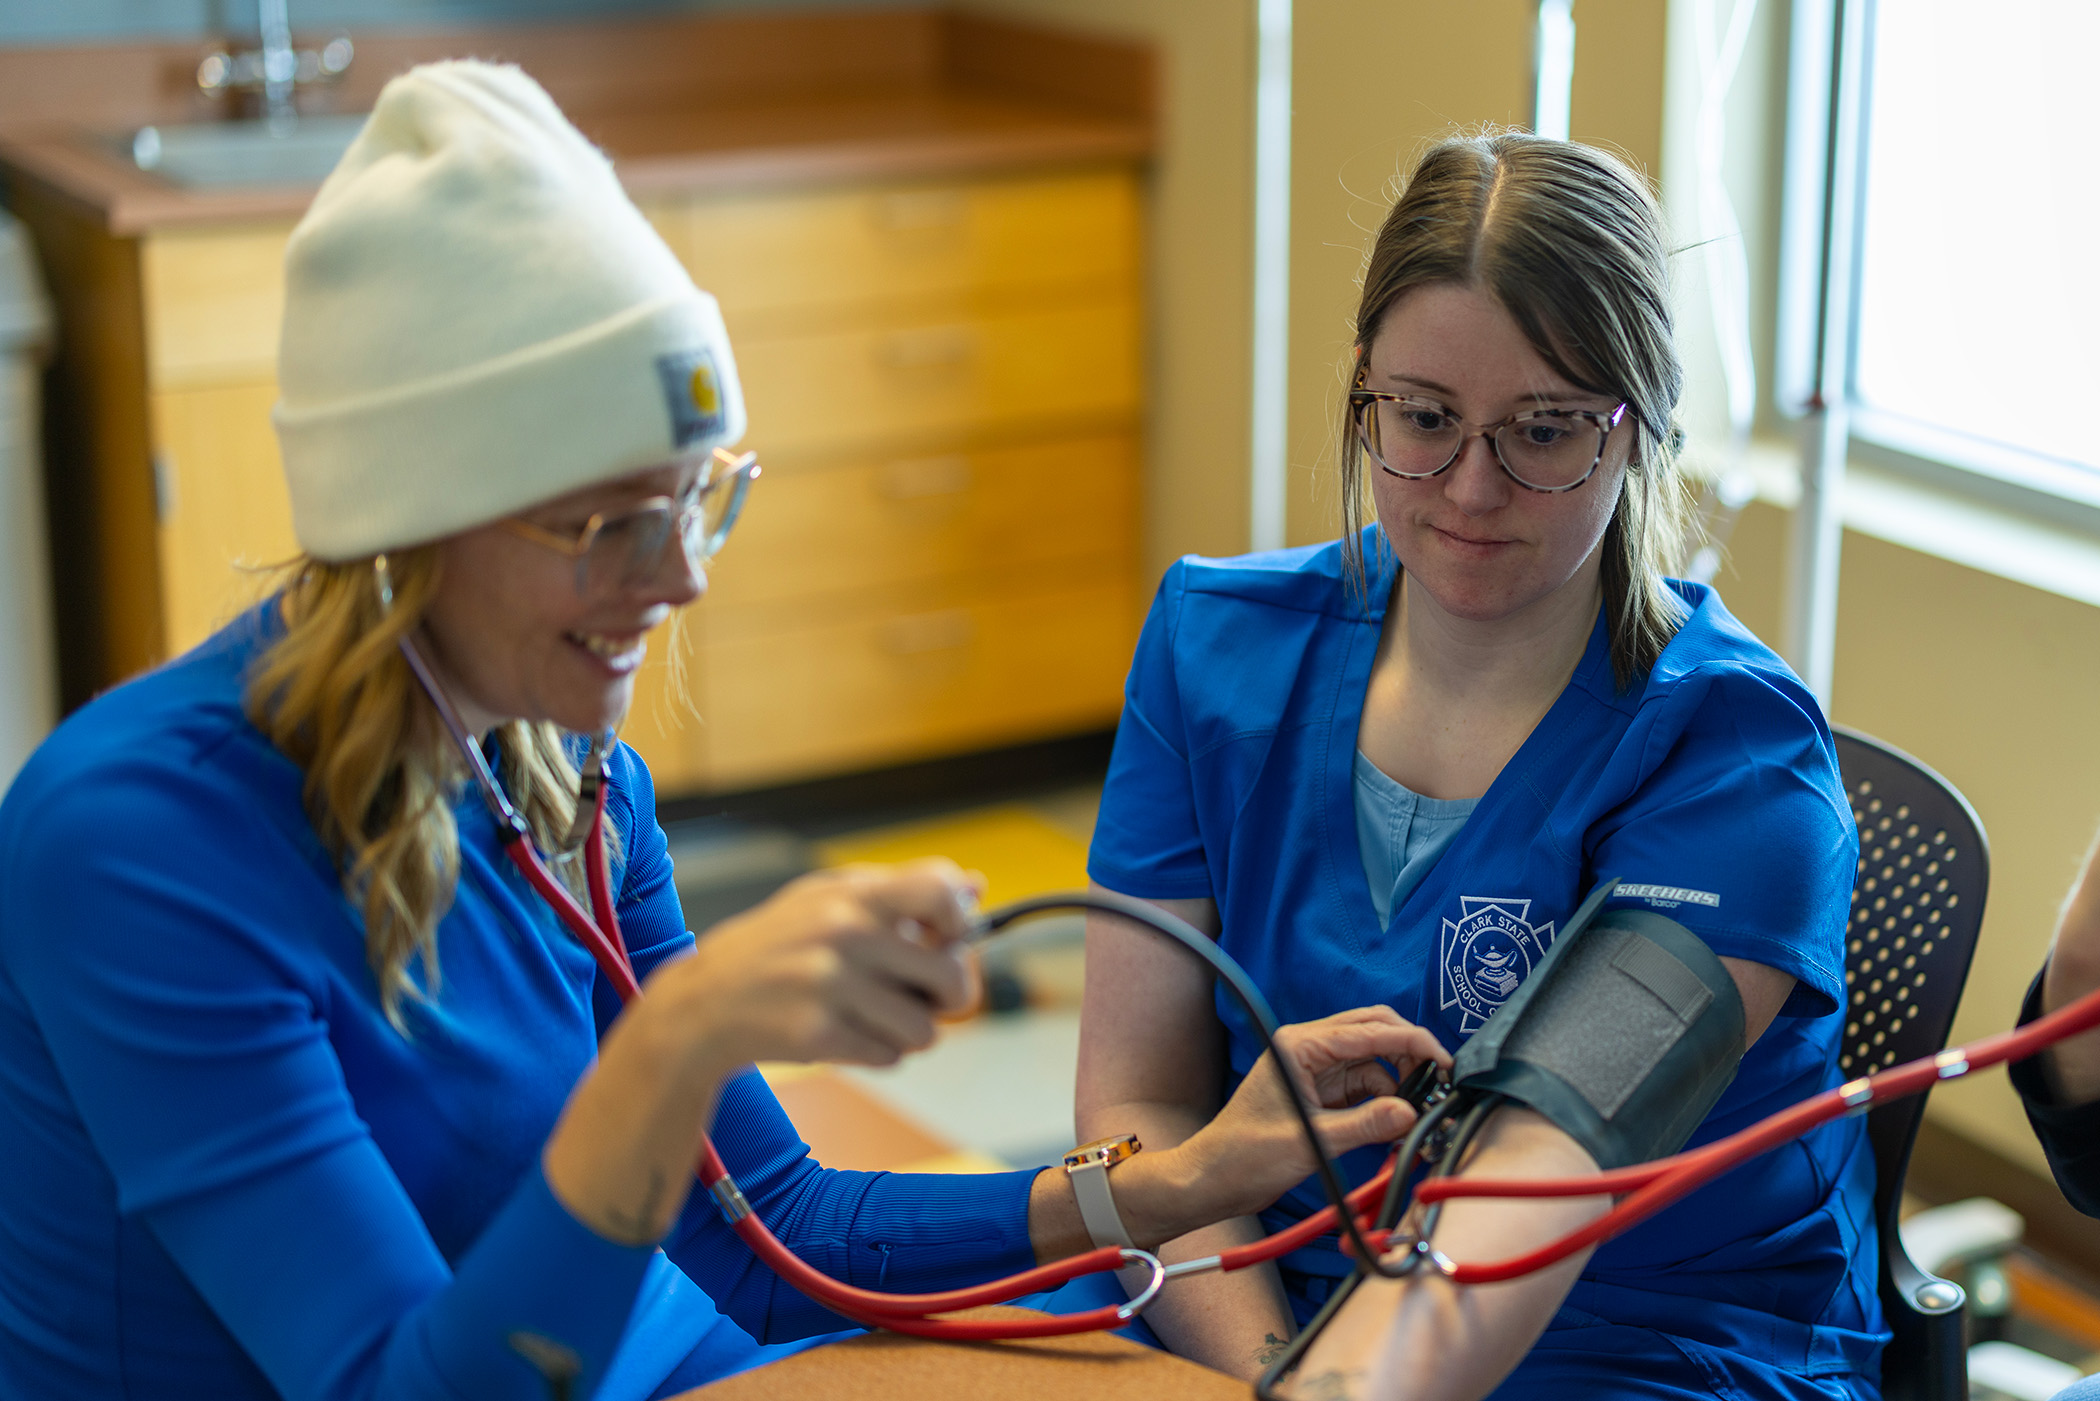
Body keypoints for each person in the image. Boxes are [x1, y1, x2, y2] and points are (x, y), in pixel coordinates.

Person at [0, 63, 1453, 1401]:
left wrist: (1174, 1184)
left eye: (700, 499)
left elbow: (782, 1237)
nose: (682, 577)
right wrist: (677, 1048)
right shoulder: (137, 847)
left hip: (661, 1358)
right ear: (405, 515)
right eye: (611, 523)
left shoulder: (570, 787)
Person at [1070, 133, 1884, 1399]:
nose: (1469, 488)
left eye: (1543, 432)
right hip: (1246, 1295)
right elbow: (1141, 1107)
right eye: (1424, 418)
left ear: (1640, 428)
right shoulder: (1213, 647)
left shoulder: (1737, 765)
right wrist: (1264, 1373)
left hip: (1629, 1340)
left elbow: (1527, 1182)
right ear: (1365, 393)